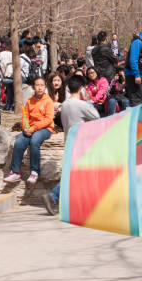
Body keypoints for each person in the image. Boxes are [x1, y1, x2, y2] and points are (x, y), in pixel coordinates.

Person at [42, 75, 101, 215]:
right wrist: (88, 101)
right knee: (77, 174)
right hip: (81, 143)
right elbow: (97, 117)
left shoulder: (66, 104)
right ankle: (53, 196)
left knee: (75, 174)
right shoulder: (81, 104)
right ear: (81, 88)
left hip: (69, 141)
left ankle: (62, 199)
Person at [4, 77, 54, 185]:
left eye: (42, 85)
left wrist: (33, 128)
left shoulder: (48, 101)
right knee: (19, 141)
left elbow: (48, 119)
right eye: (37, 85)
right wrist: (25, 128)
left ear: (45, 87)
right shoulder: (29, 101)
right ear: (33, 87)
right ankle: (15, 172)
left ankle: (34, 171)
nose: (40, 87)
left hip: (45, 129)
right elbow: (25, 116)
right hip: (30, 129)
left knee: (35, 140)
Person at [0, 41, 14, 111]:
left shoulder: (0, 54)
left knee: (8, 91)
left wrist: (2, 75)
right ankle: (9, 105)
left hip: (4, 75)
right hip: (11, 75)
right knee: (10, 92)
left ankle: (8, 105)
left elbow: (0, 65)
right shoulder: (12, 54)